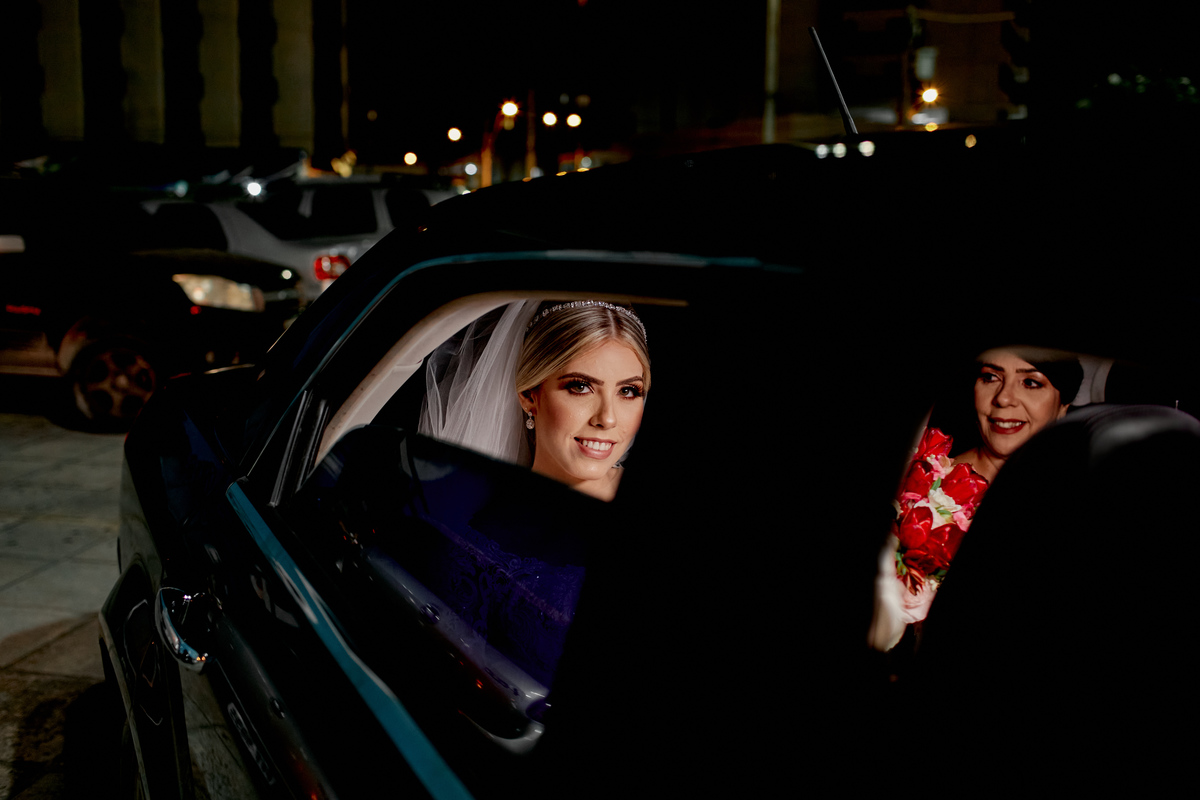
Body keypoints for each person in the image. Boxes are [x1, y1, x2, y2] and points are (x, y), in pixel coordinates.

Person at [870, 346, 1082, 651]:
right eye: (991, 377)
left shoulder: (1083, 499)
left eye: (1031, 382)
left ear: (1064, 404)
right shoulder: (916, 489)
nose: (1004, 398)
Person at [419, 299, 650, 502]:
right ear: (529, 395)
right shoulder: (470, 511)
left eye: (628, 391)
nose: (607, 418)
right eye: (580, 387)